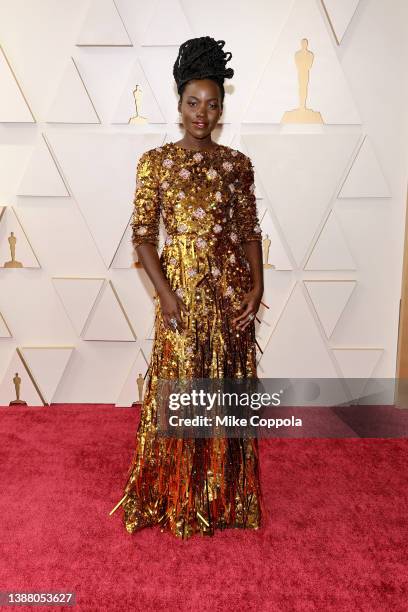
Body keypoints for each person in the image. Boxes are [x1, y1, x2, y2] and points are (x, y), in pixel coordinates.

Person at [112, 36, 265, 539]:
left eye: (212, 103)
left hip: (228, 297)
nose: (203, 112)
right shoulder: (155, 163)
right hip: (179, 295)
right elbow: (141, 238)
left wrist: (257, 287)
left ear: (222, 108)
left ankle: (221, 497)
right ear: (178, 105)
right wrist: (165, 295)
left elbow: (248, 232)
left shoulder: (236, 165)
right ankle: (176, 493)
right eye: (193, 102)